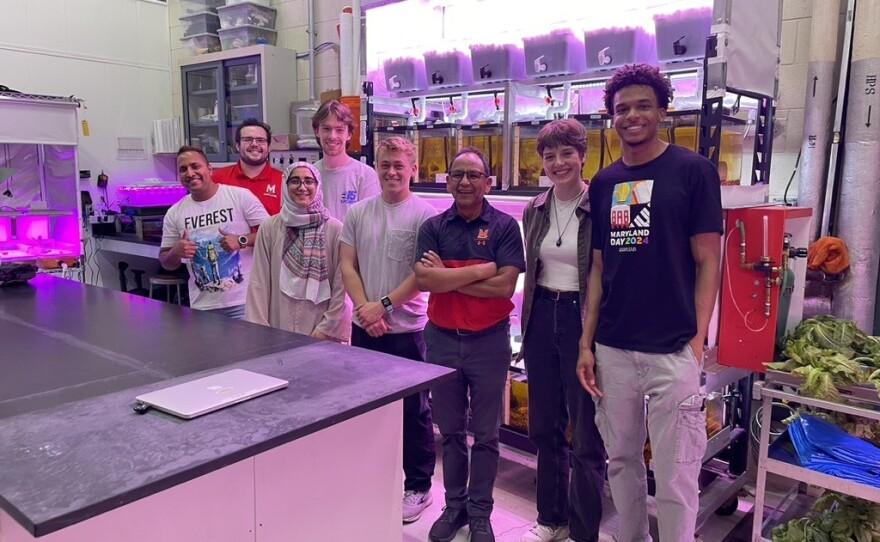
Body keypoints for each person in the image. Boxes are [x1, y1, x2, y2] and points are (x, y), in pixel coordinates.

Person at [576, 63, 723, 542]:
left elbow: (708, 261)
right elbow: (599, 267)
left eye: (643, 105)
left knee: (676, 474)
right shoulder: (603, 182)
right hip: (614, 349)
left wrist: (697, 340)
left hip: (672, 351)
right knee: (620, 463)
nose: (632, 115)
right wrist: (586, 343)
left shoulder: (693, 172)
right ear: (610, 118)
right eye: (622, 109)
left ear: (663, 110)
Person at [415, 147, 525, 542]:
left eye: (474, 175)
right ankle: (455, 506)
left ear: (487, 182)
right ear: (447, 181)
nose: (465, 182)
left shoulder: (504, 227)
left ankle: (481, 513)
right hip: (442, 341)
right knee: (451, 432)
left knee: (487, 434)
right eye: (457, 174)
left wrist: (451, 275)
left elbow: (505, 286)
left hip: (489, 343)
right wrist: (483, 269)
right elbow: (427, 281)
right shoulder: (433, 227)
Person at [339, 136, 438, 524]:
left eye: (399, 164)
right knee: (369, 411)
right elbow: (348, 264)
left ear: (413, 168)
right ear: (375, 167)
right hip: (366, 329)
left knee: (415, 412)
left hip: (408, 331)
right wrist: (365, 311)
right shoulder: (359, 213)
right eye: (385, 164)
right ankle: (375, 479)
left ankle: (418, 486)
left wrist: (381, 306)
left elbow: (423, 274)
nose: (392, 171)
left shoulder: (426, 216)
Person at [519, 119, 605, 542]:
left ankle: (583, 530)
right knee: (544, 425)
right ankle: (551, 519)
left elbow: (602, 276)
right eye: (549, 156)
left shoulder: (599, 206)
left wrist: (589, 338)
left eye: (566, 153)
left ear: (582, 155)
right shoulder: (533, 209)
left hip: (580, 320)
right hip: (540, 318)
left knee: (587, 434)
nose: (558, 163)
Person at [245, 161, 351, 341]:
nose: (302, 187)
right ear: (285, 186)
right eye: (295, 181)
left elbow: (343, 288)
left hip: (322, 334)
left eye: (309, 181)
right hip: (278, 329)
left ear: (318, 186)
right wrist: (260, 332)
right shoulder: (271, 227)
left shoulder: (335, 229)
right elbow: (259, 282)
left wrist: (325, 331)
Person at [159, 145, 269, 319]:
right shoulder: (175, 212)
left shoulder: (240, 196)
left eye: (195, 166)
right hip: (202, 306)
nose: (190, 173)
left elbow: (272, 235)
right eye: (183, 169)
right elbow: (166, 262)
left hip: (244, 302)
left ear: (209, 169)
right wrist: (176, 251)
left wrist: (241, 240)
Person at [311, 100, 380, 221]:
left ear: (349, 134)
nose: (332, 136)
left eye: (339, 130)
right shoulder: (309, 175)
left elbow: (370, 226)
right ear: (317, 131)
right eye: (326, 129)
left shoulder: (365, 176)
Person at [213, 118, 284, 216]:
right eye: (248, 139)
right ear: (237, 145)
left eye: (260, 140)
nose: (254, 144)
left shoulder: (283, 180)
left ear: (269, 147)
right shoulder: (217, 178)